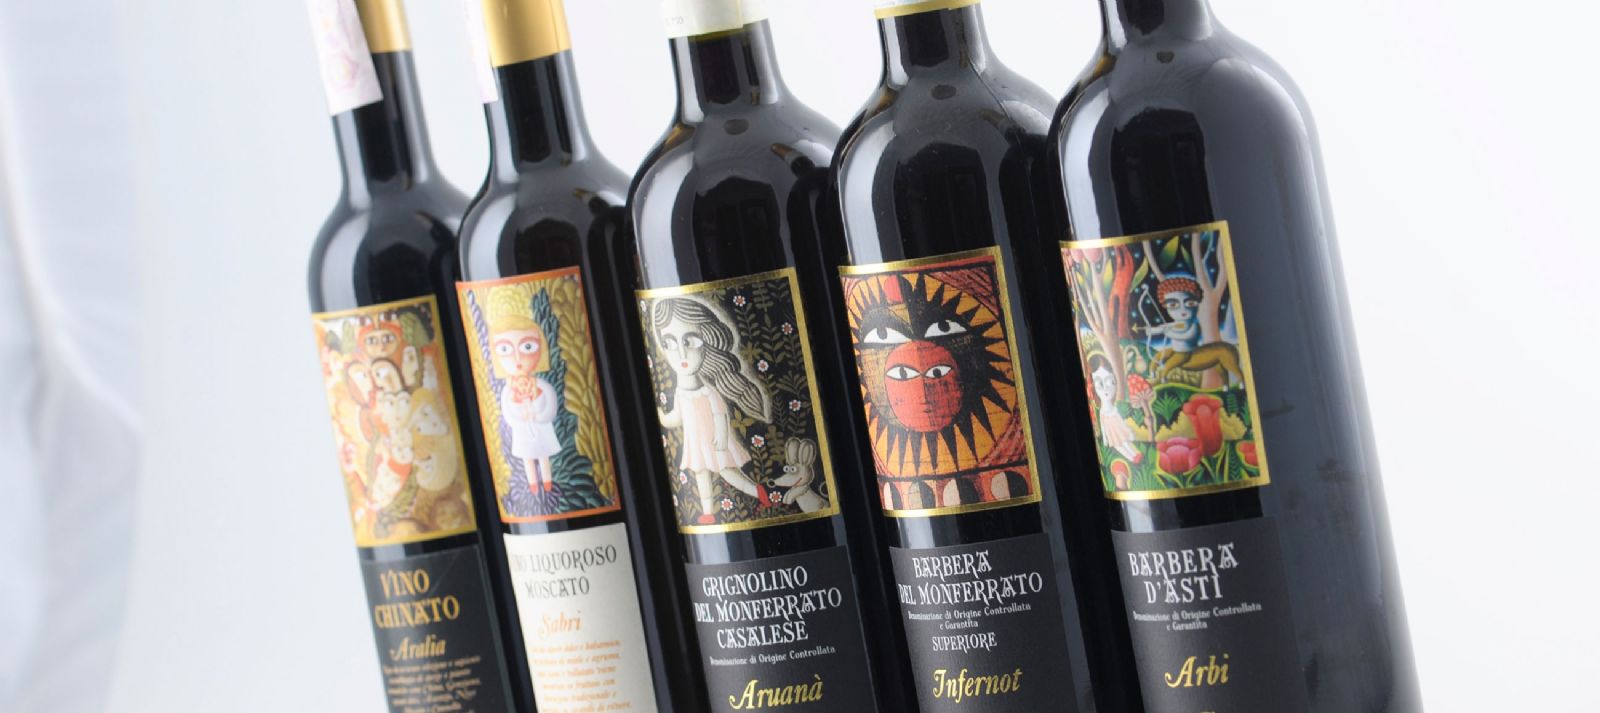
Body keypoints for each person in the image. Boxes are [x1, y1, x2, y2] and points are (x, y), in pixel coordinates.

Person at [651, 297, 774, 524]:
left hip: (714, 443)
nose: (681, 353)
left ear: (707, 342)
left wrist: (722, 436)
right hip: (697, 445)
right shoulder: (680, 393)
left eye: (690, 341)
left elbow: (720, 413)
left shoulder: (708, 392)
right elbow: (676, 417)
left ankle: (758, 492)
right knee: (701, 475)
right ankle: (708, 513)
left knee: (727, 472)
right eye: (669, 343)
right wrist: (661, 416)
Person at [489, 314, 562, 494]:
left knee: (544, 456)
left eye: (527, 347)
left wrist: (539, 416)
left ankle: (547, 482)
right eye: (505, 349)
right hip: (522, 432)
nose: (517, 358)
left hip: (542, 429)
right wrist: (519, 419)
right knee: (527, 458)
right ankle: (533, 486)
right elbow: (508, 414)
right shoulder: (508, 390)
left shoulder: (542, 386)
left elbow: (551, 407)